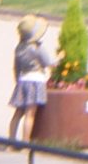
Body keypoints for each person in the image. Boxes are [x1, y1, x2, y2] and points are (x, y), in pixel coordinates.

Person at [7, 14, 54, 145]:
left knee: (17, 113)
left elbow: (16, 67)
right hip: (36, 80)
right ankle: (25, 143)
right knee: (30, 114)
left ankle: (11, 141)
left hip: (23, 80)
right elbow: (47, 63)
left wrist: (17, 80)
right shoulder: (37, 48)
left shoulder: (19, 48)